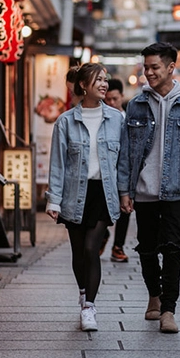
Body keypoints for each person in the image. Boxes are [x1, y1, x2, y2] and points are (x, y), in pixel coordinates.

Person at [117, 42, 180, 334]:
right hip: (143, 190)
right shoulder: (136, 104)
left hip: (175, 191)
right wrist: (125, 190)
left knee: (172, 249)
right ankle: (154, 295)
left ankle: (168, 310)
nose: (149, 73)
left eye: (154, 67)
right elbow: (125, 152)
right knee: (146, 249)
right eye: (146, 67)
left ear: (171, 67)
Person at [45, 63, 123, 332]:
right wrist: (54, 199)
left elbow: (123, 162)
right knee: (78, 252)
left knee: (91, 248)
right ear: (82, 85)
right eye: (98, 79)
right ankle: (83, 291)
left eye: (105, 79)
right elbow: (58, 164)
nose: (104, 84)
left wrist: (126, 194)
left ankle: (89, 307)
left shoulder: (117, 119)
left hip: (103, 192)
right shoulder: (66, 121)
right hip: (74, 193)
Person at [102, 78, 131, 263]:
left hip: (125, 170)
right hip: (106, 170)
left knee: (125, 208)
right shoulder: (102, 118)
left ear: (122, 96)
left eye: (115, 99)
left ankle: (118, 246)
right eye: (108, 99)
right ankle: (102, 235)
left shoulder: (129, 118)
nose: (111, 103)